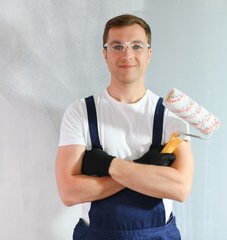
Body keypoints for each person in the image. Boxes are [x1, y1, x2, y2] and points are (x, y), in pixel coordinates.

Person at [55, 13, 194, 240]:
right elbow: (69, 192)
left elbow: (180, 188)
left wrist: (107, 165)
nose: (127, 54)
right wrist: (146, 170)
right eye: (117, 46)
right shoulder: (80, 113)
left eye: (136, 46)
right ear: (105, 54)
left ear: (149, 54)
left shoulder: (172, 116)